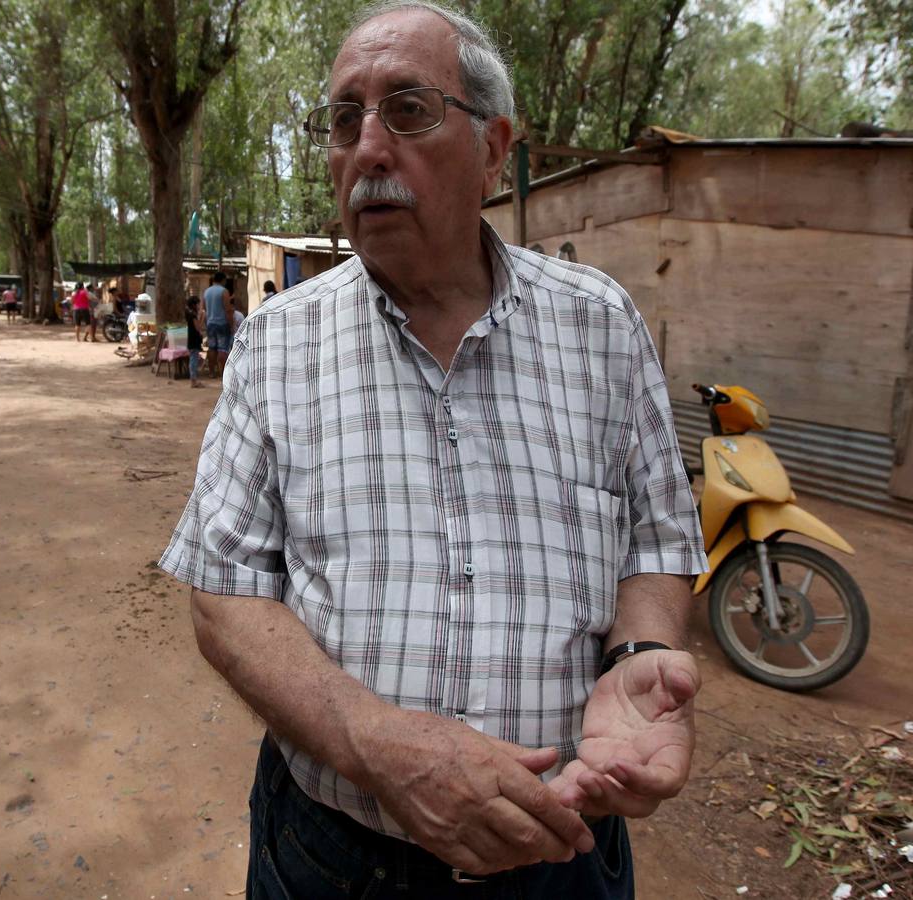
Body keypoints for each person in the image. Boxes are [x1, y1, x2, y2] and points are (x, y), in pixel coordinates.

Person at [160, 3, 707, 898]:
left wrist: (635, 658)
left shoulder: (599, 325)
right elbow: (224, 597)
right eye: (345, 121)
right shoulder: (277, 345)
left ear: (493, 149)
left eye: (407, 111)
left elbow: (656, 541)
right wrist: (374, 742)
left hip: (561, 851)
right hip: (334, 859)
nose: (368, 150)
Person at [201, 271, 233, 377]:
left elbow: (203, 309)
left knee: (212, 348)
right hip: (222, 324)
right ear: (223, 280)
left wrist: (206, 322)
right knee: (222, 349)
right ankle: (223, 373)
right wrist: (231, 324)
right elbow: (228, 309)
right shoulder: (224, 291)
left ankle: (211, 372)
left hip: (210, 324)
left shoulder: (206, 292)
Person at [186, 295, 206, 388]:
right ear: (194, 305)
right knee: (193, 360)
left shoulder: (189, 314)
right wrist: (202, 317)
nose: (199, 306)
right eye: (198, 304)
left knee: (193, 359)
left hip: (192, 339)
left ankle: (194, 379)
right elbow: (198, 327)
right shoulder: (192, 315)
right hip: (194, 339)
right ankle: (193, 380)